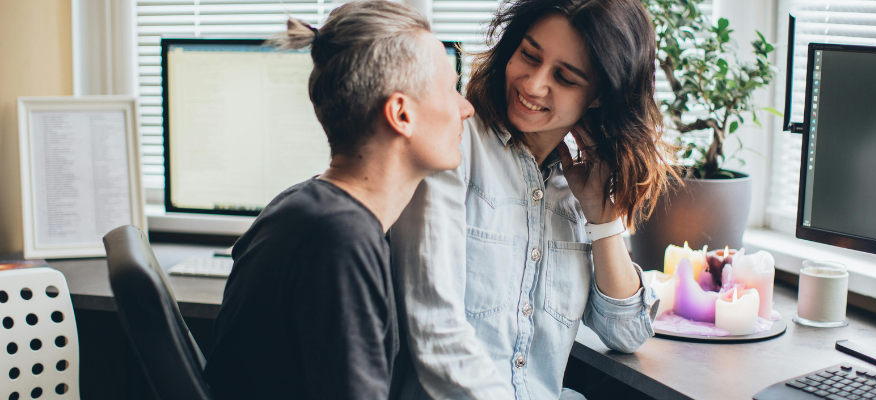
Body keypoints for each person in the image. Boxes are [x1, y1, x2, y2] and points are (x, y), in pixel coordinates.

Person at [389, 0, 676, 398]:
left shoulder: (579, 183)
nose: (534, 84)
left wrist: (601, 217)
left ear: (598, 96)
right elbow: (435, 336)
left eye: (565, 78)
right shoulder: (451, 149)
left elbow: (625, 332)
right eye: (529, 55)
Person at [202, 2, 474, 399]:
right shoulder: (339, 241)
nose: (465, 108)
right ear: (401, 114)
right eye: (452, 89)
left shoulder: (305, 205)